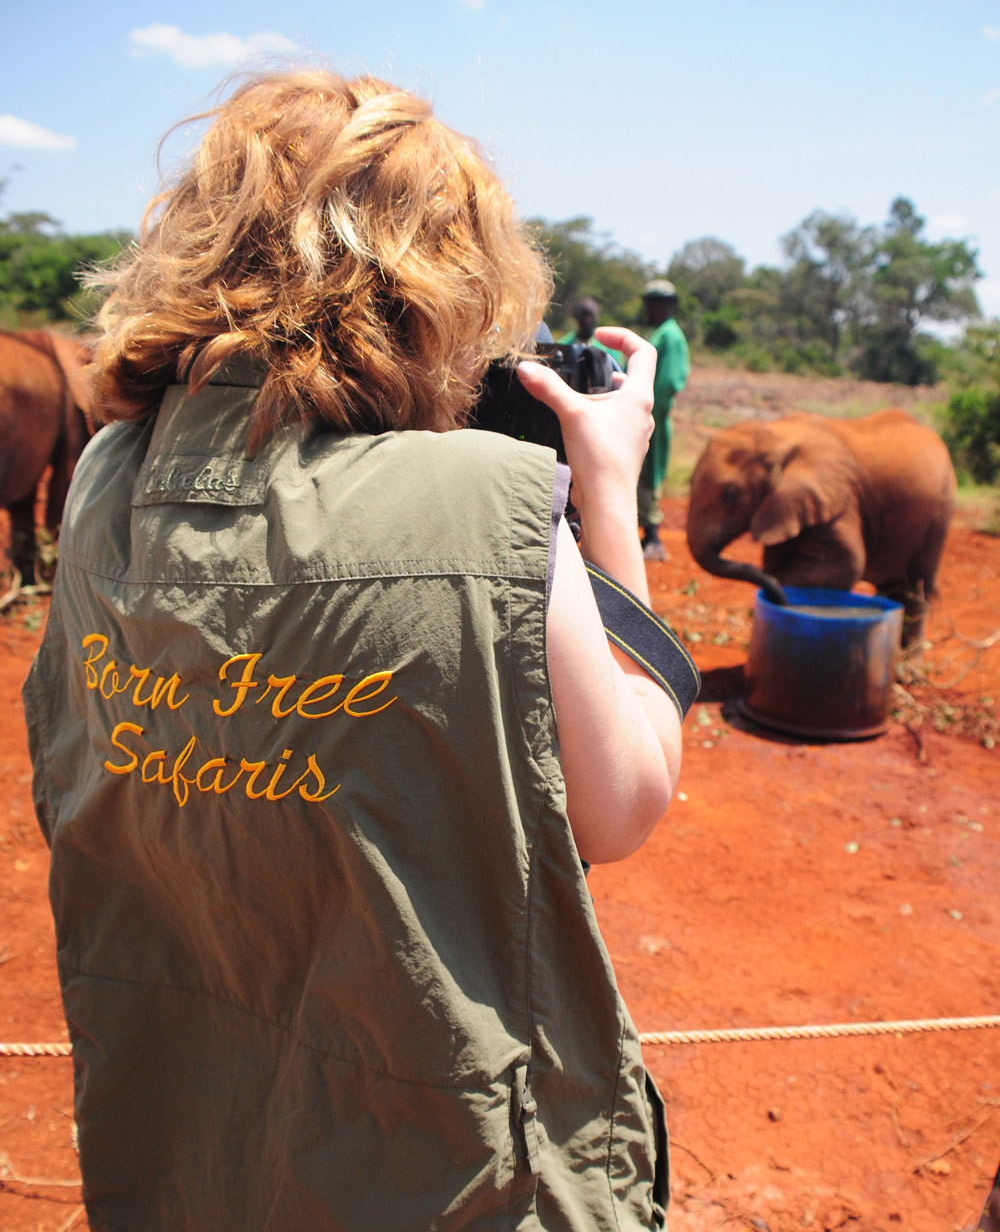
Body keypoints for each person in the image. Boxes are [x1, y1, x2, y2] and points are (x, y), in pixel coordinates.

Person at [23, 69, 695, 1232]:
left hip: (183, 1145)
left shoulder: (102, 481)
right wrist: (604, 495)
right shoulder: (485, 501)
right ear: (443, 272)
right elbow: (622, 801)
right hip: (441, 1173)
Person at [637, 279, 689, 561]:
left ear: (665, 305)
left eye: (652, 303)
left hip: (652, 418)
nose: (648, 308)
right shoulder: (660, 333)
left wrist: (646, 417)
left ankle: (653, 537)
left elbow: (667, 383)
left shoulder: (671, 336)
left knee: (649, 472)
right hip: (647, 416)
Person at [558, 296, 624, 366]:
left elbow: (618, 368)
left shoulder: (610, 346)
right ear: (577, 318)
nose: (586, 322)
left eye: (589, 318)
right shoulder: (563, 345)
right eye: (584, 317)